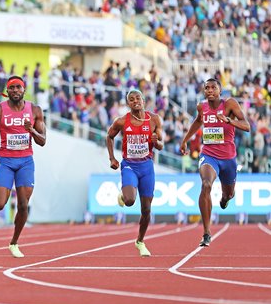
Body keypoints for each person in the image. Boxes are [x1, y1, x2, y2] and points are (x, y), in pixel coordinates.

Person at [0, 76, 46, 258]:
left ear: (24, 90)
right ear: (7, 91)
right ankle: (7, 189)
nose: (15, 90)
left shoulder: (35, 110)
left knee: (23, 205)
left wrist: (31, 130)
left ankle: (14, 242)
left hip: (25, 162)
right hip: (6, 162)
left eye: (18, 87)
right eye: (12, 88)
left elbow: (43, 141)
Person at [180, 78, 250, 247]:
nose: (210, 90)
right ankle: (206, 232)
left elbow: (247, 126)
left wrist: (229, 121)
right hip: (209, 155)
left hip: (228, 158)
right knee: (205, 185)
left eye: (213, 87)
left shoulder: (229, 104)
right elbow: (198, 121)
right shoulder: (201, 107)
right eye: (207, 88)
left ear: (220, 90)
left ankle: (225, 199)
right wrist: (185, 140)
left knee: (229, 194)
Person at [106, 89, 163, 257]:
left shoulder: (154, 119)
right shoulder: (122, 121)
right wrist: (112, 158)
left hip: (147, 167)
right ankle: (124, 195)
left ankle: (140, 241)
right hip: (130, 165)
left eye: (138, 98)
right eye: (131, 99)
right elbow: (109, 137)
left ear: (144, 100)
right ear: (128, 103)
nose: (135, 101)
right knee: (130, 201)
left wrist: (156, 142)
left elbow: (160, 145)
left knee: (146, 209)